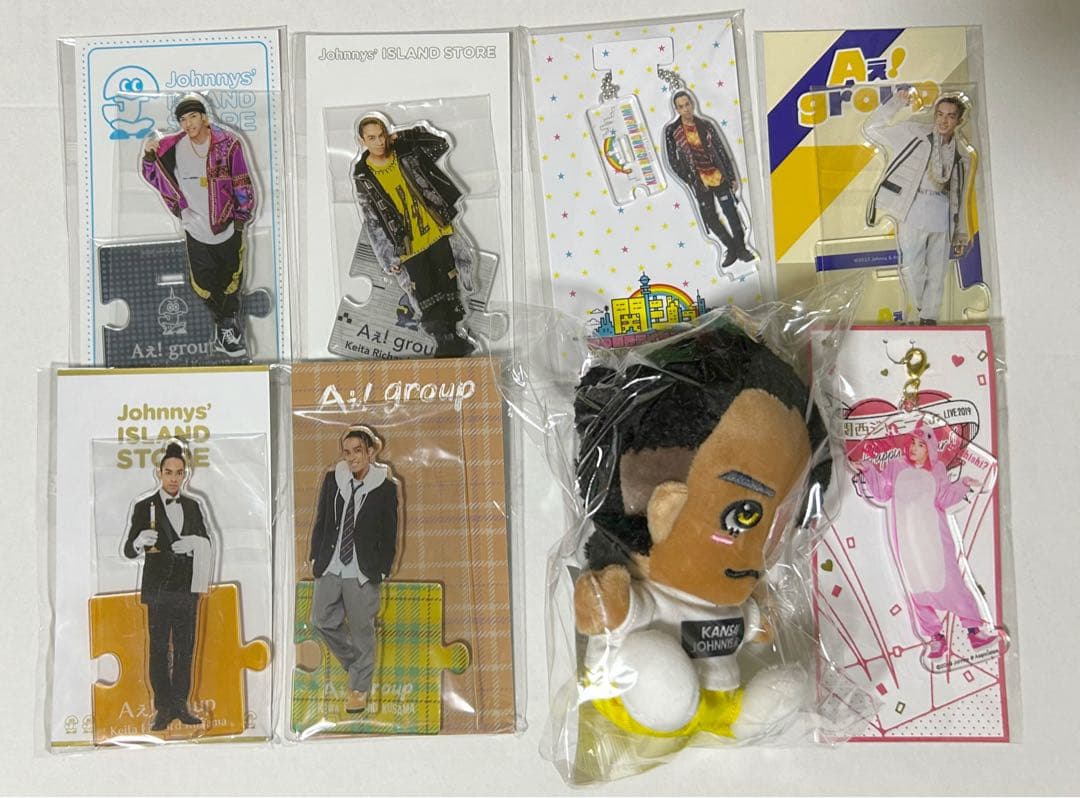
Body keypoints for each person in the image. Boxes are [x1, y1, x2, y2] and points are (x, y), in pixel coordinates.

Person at [854, 424, 997, 659]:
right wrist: (868, 470)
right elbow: (881, 493)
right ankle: (935, 638)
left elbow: (944, 498)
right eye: (912, 442)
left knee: (951, 581)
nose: (914, 448)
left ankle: (974, 631)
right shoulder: (896, 466)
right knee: (916, 588)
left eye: (920, 445)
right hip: (906, 539)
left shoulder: (937, 469)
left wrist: (963, 484)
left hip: (935, 536)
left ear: (929, 448)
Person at [142, 93, 256, 358]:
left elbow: (241, 180)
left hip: (228, 226)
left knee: (231, 281)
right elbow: (153, 176)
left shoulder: (228, 144)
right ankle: (225, 326)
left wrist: (242, 217)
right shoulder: (170, 147)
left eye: (193, 116)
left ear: (204, 117)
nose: (188, 123)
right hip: (194, 228)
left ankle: (226, 326)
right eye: (183, 119)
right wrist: (148, 156)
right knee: (203, 284)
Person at [351, 114, 474, 357]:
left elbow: (440, 145)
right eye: (372, 138)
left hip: (435, 228)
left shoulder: (406, 151)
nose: (379, 142)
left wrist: (406, 134)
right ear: (361, 141)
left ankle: (454, 339)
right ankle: (444, 343)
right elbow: (372, 219)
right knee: (425, 291)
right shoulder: (363, 175)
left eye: (382, 135)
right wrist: (387, 257)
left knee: (448, 283)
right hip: (406, 243)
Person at [308, 426, 400, 713]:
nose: (352, 458)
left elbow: (389, 534)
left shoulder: (384, 489)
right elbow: (322, 520)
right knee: (320, 620)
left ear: (370, 452)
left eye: (357, 451)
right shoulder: (333, 480)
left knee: (362, 630)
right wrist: (314, 556)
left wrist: (382, 569)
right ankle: (357, 664)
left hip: (362, 570)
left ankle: (358, 689)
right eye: (347, 452)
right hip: (331, 563)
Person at [123, 440, 213, 731]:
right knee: (159, 650)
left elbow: (207, 541)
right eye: (169, 472)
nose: (174, 478)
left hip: (186, 589)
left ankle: (180, 706)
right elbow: (127, 550)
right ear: (159, 473)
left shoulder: (193, 506)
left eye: (179, 473)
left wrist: (195, 542)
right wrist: (139, 542)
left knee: (186, 649)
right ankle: (162, 709)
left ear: (185, 475)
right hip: (158, 590)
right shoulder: (143, 506)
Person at [865, 89, 974, 325]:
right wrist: (896, 103)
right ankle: (919, 309)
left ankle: (929, 319)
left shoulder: (961, 154)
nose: (944, 121)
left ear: (959, 120)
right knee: (912, 267)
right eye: (940, 114)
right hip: (913, 208)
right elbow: (872, 129)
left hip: (943, 213)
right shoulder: (914, 133)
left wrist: (961, 232)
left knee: (937, 272)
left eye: (951, 116)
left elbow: (961, 195)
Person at [664, 90, 754, 269]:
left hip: (718, 176)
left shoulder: (706, 125)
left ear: (692, 104)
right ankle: (731, 248)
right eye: (681, 106)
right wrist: (688, 177)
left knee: (731, 213)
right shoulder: (672, 131)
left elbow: (721, 150)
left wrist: (731, 176)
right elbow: (672, 160)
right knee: (710, 217)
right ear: (676, 109)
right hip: (698, 181)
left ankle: (741, 248)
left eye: (687, 104)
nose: (686, 109)